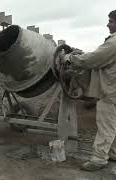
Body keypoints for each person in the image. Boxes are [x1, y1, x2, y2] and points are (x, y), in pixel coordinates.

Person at [62, 10, 116, 171]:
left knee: (106, 126)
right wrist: (82, 54)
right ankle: (112, 153)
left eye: (111, 21)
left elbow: (93, 60)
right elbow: (100, 58)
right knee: (113, 125)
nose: (108, 24)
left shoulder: (114, 42)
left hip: (110, 92)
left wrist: (70, 58)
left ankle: (99, 159)